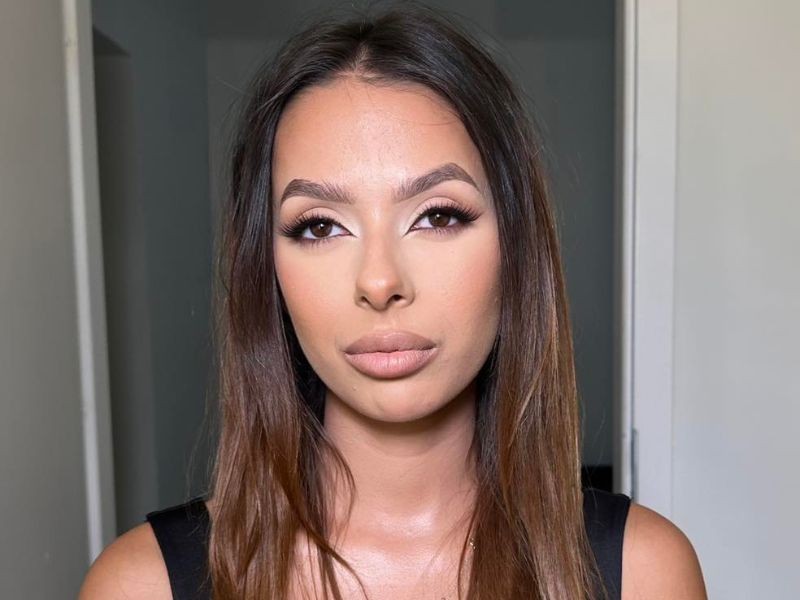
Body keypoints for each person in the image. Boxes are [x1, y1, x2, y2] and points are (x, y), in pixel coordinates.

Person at [80, 2, 707, 599]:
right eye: (320, 226)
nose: (379, 282)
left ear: (516, 248)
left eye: (437, 216)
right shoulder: (141, 586)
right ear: (267, 270)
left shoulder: (643, 573)